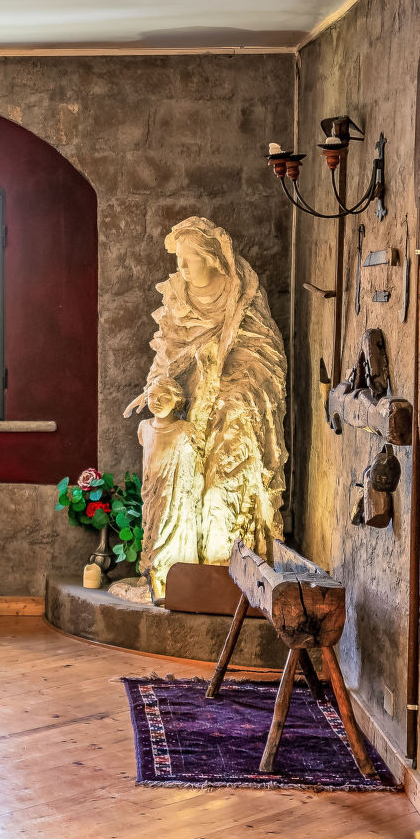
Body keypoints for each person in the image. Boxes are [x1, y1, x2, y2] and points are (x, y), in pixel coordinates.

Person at [123, 218, 287, 598]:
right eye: (179, 259)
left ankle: (231, 548)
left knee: (230, 422)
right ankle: (177, 555)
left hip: (241, 375)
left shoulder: (239, 292)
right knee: (174, 433)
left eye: (188, 258)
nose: (180, 267)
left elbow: (263, 346)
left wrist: (224, 374)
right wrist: (153, 387)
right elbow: (167, 352)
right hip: (194, 382)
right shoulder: (178, 295)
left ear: (212, 258)